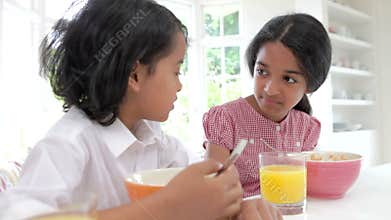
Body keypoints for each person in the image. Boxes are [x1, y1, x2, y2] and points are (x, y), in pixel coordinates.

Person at [0, 0, 282, 219]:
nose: (180, 86)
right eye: (176, 70)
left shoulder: (157, 143)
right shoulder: (68, 144)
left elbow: (200, 200)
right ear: (135, 75)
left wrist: (237, 209)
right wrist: (161, 211)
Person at [203, 13, 332, 197]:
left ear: (311, 84)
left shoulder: (307, 128)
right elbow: (212, 192)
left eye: (288, 79)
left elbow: (304, 191)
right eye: (262, 71)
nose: (270, 89)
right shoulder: (226, 119)